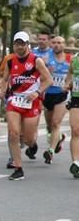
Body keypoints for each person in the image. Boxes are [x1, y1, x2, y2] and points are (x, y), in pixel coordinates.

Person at [0, 31, 53, 181]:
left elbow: (48, 80)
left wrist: (38, 92)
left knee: (27, 138)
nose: (19, 47)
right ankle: (18, 167)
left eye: (22, 44)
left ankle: (32, 144)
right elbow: (5, 79)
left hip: (31, 102)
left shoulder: (36, 61)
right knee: (13, 133)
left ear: (28, 45)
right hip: (15, 101)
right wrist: (2, 91)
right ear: (13, 45)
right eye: (17, 44)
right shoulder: (10, 61)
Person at [41, 36, 71, 165]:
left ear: (64, 45)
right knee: (49, 126)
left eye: (59, 43)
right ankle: (59, 137)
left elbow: (74, 76)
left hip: (62, 95)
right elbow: (38, 77)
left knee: (55, 123)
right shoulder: (45, 59)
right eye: (54, 43)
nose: (57, 45)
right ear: (51, 44)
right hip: (48, 95)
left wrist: (68, 85)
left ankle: (51, 151)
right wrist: (47, 71)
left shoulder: (71, 60)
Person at [68, 49, 79, 177]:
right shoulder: (74, 59)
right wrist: (67, 84)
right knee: (75, 129)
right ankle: (76, 163)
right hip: (76, 97)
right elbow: (70, 75)